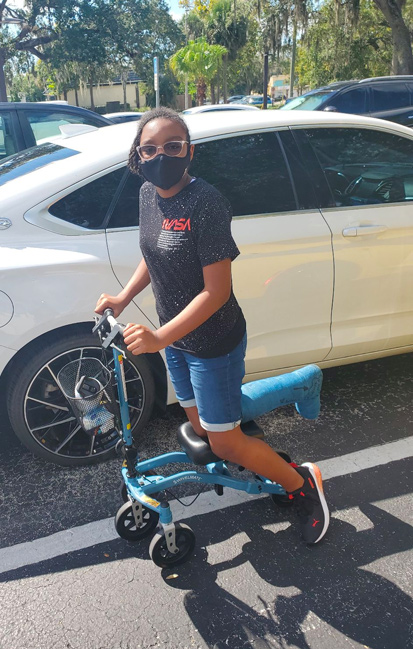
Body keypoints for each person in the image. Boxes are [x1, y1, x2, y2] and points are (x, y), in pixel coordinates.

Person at [95, 107, 329, 545]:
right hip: (177, 338)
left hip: (213, 342)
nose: (160, 155)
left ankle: (301, 485)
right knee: (203, 426)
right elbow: (155, 251)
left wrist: (161, 336)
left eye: (172, 146)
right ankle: (300, 384)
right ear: (139, 156)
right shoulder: (149, 194)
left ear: (190, 152)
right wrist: (124, 296)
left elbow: (216, 292)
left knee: (222, 443)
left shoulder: (206, 202)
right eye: (150, 148)